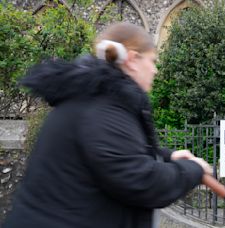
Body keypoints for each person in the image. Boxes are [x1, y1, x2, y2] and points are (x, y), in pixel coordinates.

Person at [3, 22, 212, 228]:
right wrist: (192, 170)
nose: (155, 70)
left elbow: (118, 152)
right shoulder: (102, 109)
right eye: (153, 61)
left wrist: (168, 156)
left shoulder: (97, 99)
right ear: (132, 59)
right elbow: (142, 182)